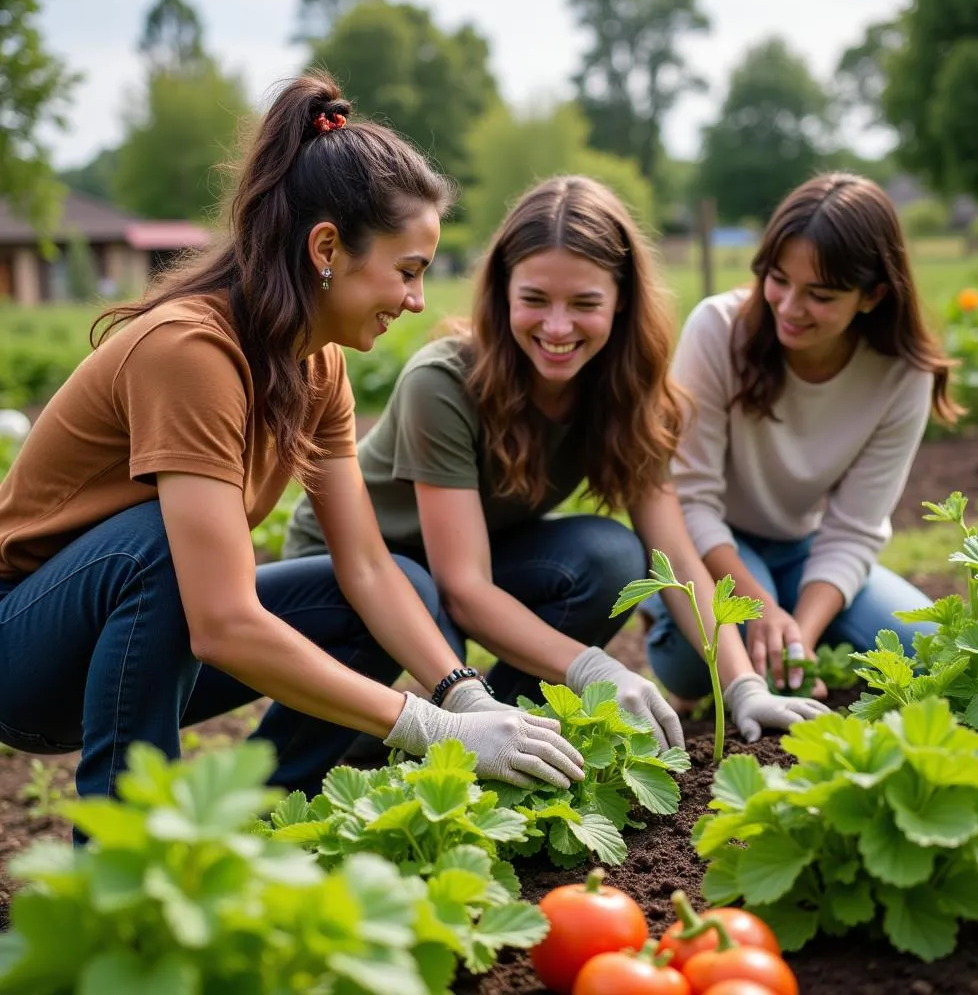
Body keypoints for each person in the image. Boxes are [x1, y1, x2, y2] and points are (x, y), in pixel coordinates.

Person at [0, 71, 589, 817]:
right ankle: (123, 873)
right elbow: (220, 622)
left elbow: (366, 566)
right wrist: (425, 727)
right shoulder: (190, 352)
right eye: (407, 271)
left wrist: (463, 697)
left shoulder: (318, 364)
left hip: (139, 640)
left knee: (401, 584)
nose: (416, 299)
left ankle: (270, 813)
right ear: (327, 248)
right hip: (25, 654)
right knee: (158, 544)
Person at [285, 175, 826, 746]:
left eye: (585, 303)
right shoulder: (442, 382)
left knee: (609, 556)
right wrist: (595, 668)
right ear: (503, 293)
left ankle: (513, 731)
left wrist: (742, 685)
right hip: (352, 576)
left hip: (447, 573)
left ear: (622, 301)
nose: (558, 327)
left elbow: (673, 553)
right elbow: (462, 586)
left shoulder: (625, 391)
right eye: (535, 300)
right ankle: (424, 731)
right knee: (390, 683)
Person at [644, 172, 961, 703]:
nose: (789, 307)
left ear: (872, 295)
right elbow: (691, 501)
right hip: (711, 539)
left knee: (933, 654)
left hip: (804, 549)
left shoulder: (903, 375)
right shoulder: (718, 330)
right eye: (778, 279)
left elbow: (855, 529)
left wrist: (798, 639)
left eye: (820, 294)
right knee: (707, 659)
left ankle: (796, 615)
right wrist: (764, 613)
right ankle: (684, 618)